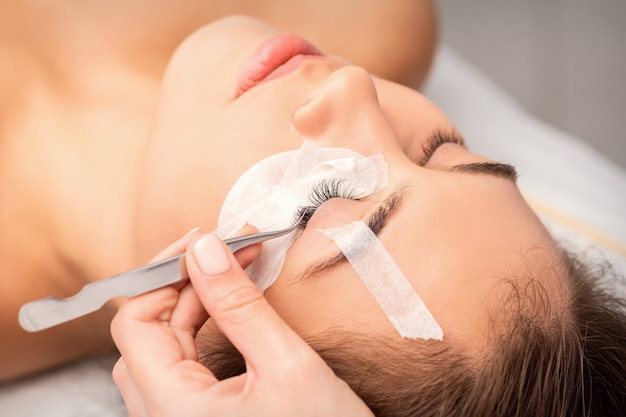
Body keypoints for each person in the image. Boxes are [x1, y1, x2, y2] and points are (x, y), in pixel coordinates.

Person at [2, 9, 625, 417]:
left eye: (320, 195)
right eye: (440, 149)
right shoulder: (369, 17)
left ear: (195, 347)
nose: (354, 87)